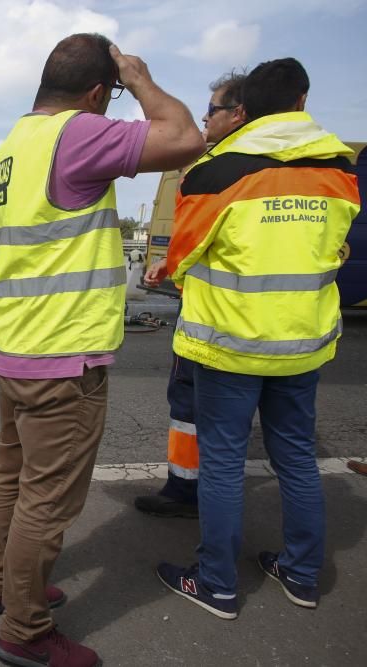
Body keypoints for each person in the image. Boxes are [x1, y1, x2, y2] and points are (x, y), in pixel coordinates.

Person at [0, 33, 204, 667]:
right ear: (99, 91)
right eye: (113, 92)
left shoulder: (9, 149)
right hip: (64, 356)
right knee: (46, 503)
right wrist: (141, 77)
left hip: (14, 346)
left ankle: (0, 585)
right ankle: (25, 631)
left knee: (10, 478)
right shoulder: (77, 133)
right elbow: (187, 137)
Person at [155, 58, 360, 619]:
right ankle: (301, 573)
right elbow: (336, 249)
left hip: (229, 340)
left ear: (245, 109)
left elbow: (181, 258)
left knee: (221, 463)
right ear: (302, 101)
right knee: (295, 457)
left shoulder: (219, 171)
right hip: (302, 342)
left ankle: (217, 584)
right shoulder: (339, 168)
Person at [135, 72, 247, 519]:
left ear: (238, 113)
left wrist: (175, 261)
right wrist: (174, 262)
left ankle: (188, 491)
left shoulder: (218, 169)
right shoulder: (295, 167)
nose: (205, 118)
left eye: (213, 109)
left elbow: (202, 235)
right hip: (265, 321)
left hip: (208, 313)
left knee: (192, 403)